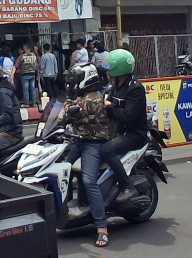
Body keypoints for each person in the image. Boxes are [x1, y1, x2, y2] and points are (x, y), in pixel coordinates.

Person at [60, 64, 112, 248]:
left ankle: (102, 227)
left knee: (89, 180)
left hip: (93, 144)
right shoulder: (82, 97)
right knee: (61, 169)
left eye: (73, 79)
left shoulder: (93, 99)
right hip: (78, 141)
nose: (70, 83)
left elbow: (65, 116)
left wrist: (68, 98)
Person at [101, 48, 148, 203]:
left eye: (110, 68)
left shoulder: (135, 88)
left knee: (106, 150)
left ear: (119, 68)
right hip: (117, 130)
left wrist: (110, 107)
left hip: (134, 134)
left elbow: (129, 116)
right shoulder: (114, 84)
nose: (107, 71)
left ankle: (127, 186)